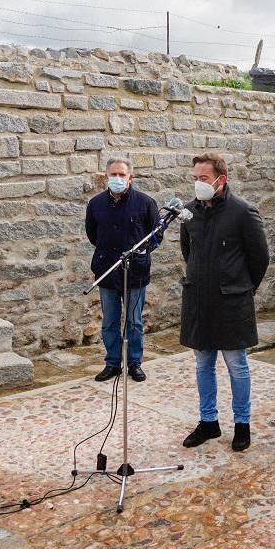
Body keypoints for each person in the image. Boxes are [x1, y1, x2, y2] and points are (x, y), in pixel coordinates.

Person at [179, 152, 269, 452]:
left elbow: (259, 258)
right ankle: (208, 421)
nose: (198, 184)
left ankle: (242, 424)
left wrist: (242, 287)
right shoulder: (189, 212)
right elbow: (187, 252)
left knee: (236, 365)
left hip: (231, 302)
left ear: (221, 179)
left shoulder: (243, 212)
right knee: (203, 364)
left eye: (203, 178)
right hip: (199, 301)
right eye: (195, 178)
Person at [85, 157, 160, 384]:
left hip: (135, 272)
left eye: (122, 175)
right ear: (106, 177)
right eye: (113, 175)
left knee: (134, 320)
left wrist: (139, 252)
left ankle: (135, 363)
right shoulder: (95, 204)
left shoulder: (145, 203)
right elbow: (92, 234)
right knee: (110, 320)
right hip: (107, 269)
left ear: (130, 177)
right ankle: (112, 363)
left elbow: (156, 235)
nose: (117, 179)